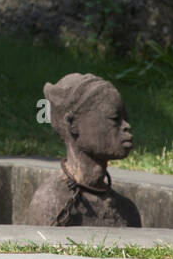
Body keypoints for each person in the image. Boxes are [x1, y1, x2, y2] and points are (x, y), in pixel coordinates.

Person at [26, 73, 140, 227]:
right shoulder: (50, 203)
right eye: (114, 118)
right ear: (73, 124)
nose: (126, 126)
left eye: (125, 118)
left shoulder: (127, 211)